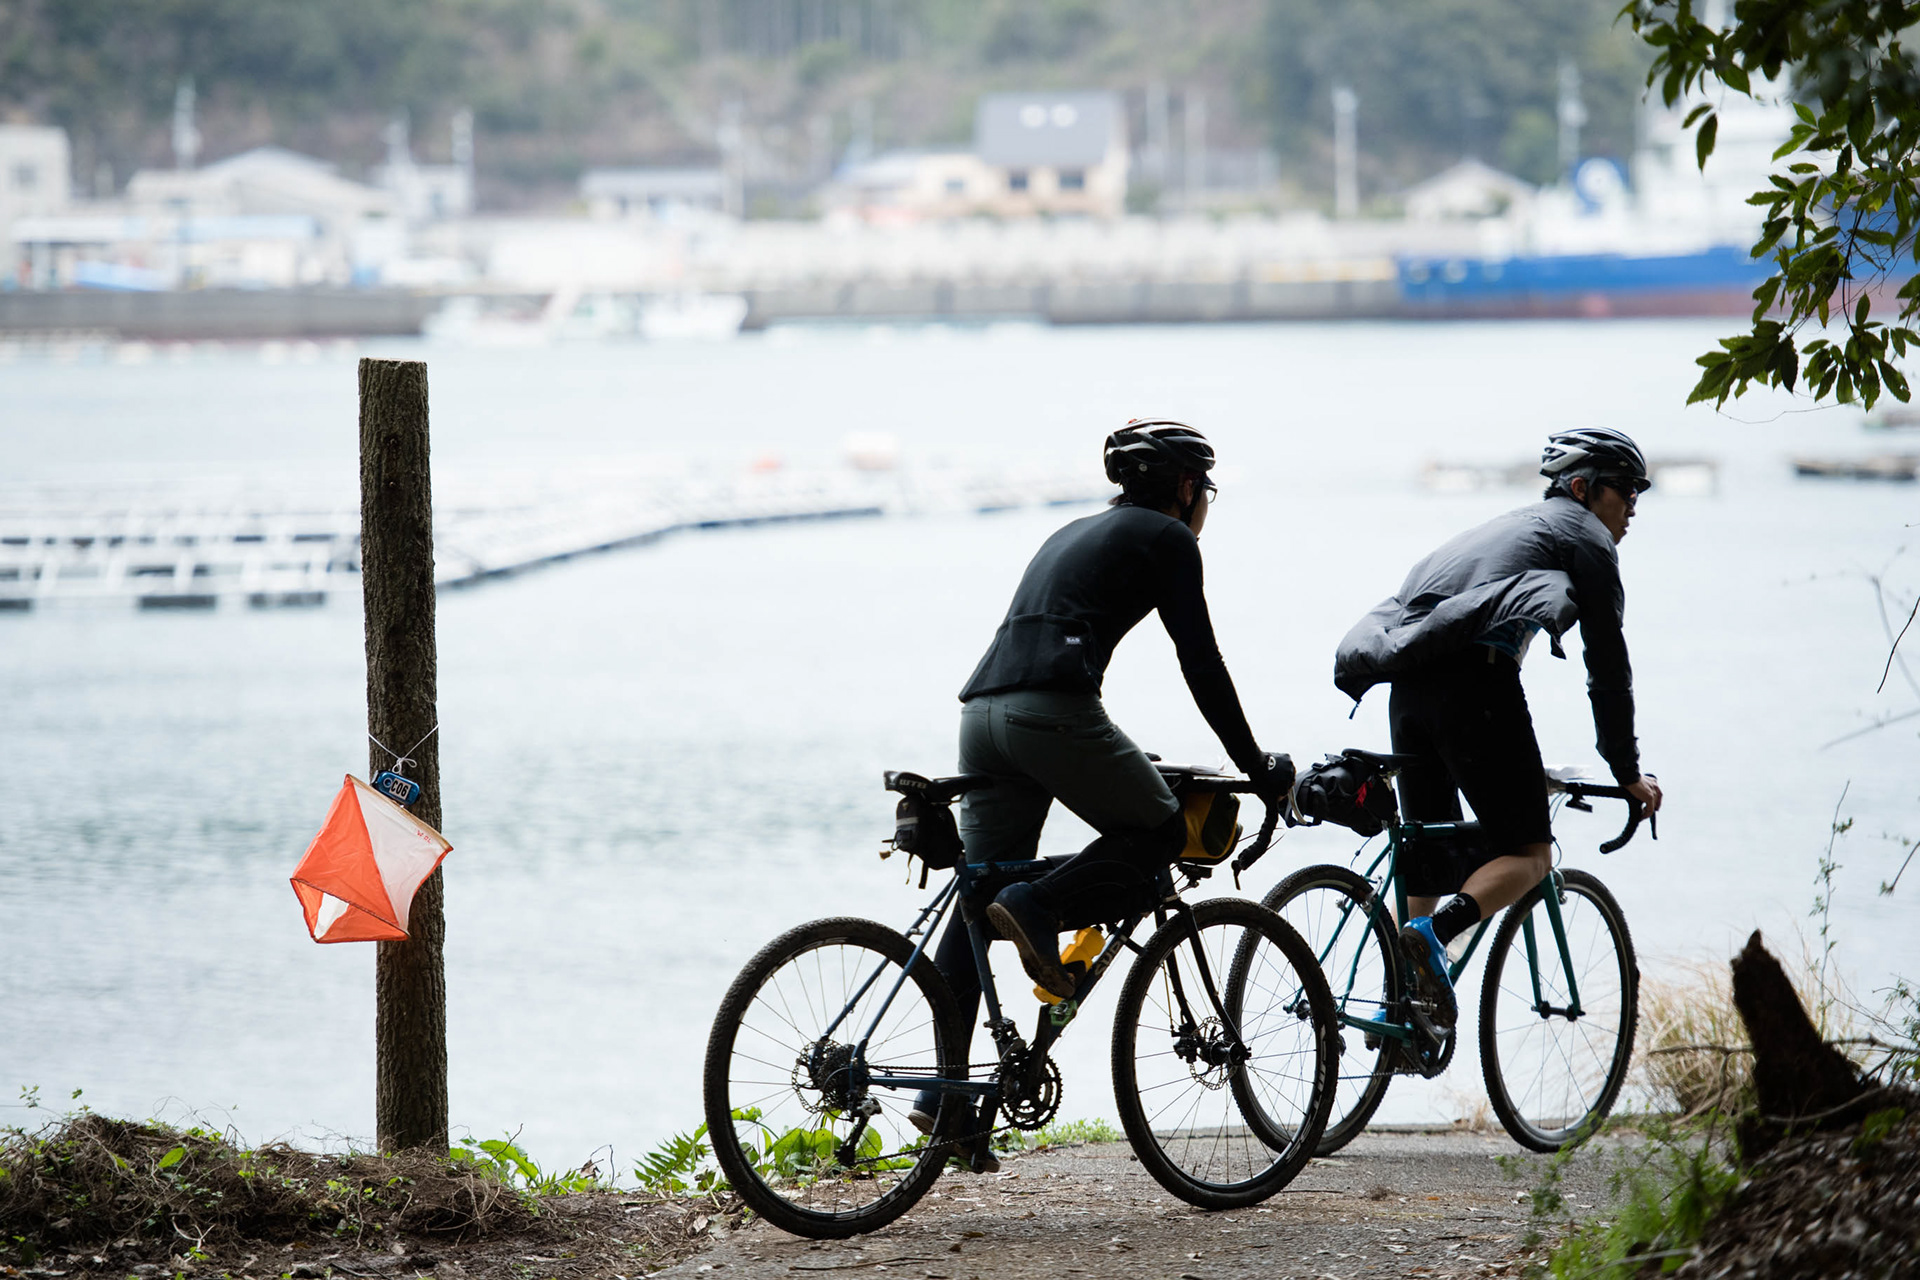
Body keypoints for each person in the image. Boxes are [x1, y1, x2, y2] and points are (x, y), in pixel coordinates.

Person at [909, 419, 1290, 1166]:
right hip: (1049, 711)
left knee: (977, 896)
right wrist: (1255, 761)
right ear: (1188, 487)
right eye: (1205, 492)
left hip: (981, 714)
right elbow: (1200, 660)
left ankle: (944, 1100)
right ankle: (1039, 907)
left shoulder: (1073, 531)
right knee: (1160, 833)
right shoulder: (1169, 537)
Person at [1332, 427, 1664, 1035]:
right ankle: (1436, 934)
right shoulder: (1585, 536)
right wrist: (1626, 771)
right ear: (1583, 488)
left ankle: (1402, 1013)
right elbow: (1607, 666)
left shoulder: (1500, 530)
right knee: (1531, 855)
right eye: (1625, 489)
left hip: (1408, 692)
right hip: (1475, 687)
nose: (1634, 505)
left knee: (1428, 858)